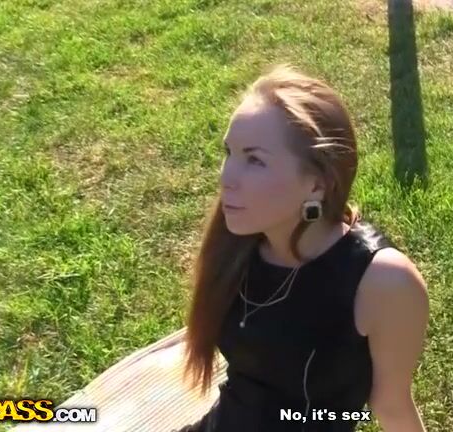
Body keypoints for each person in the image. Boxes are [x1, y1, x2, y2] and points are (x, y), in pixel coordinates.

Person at [177, 63, 429, 432]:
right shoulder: (238, 246)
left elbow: (390, 405)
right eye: (229, 152)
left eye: (255, 160)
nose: (226, 177)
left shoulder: (382, 282)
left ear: (317, 184)